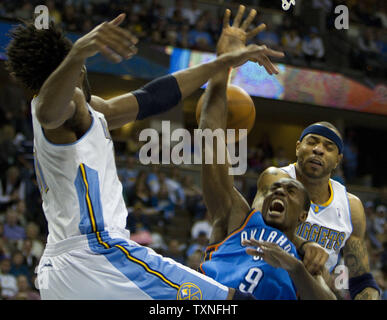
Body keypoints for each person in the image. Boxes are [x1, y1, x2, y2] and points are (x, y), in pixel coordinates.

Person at [6, 8, 282, 300]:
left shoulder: (90, 110)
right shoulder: (58, 107)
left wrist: (223, 61)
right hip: (96, 254)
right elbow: (50, 113)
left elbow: (153, 97)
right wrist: (77, 54)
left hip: (60, 273)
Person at [197, 7, 335, 300]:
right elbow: (211, 139)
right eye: (274, 189)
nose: (279, 192)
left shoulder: (308, 260)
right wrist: (224, 63)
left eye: (289, 190)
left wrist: (296, 268)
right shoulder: (239, 217)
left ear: (303, 214)